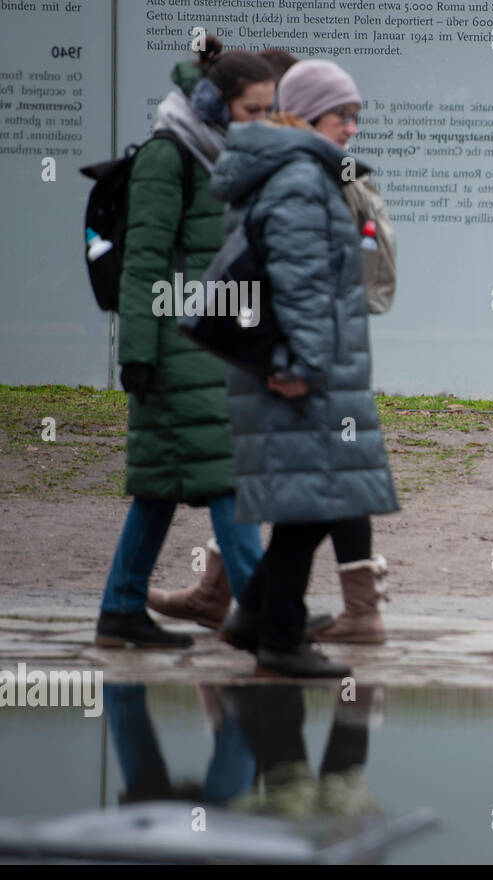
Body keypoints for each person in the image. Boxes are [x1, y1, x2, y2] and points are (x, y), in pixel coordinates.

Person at [209, 59, 399, 678]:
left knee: (313, 500)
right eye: (342, 115)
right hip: (300, 371)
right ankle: (280, 639)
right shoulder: (296, 175)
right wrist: (304, 364)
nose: (351, 128)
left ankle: (256, 616)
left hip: (311, 365)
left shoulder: (299, 169)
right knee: (313, 503)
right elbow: (296, 283)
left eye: (355, 117)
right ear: (310, 113)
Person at [95, 38, 276, 649]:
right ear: (216, 101)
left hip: (214, 341)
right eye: (253, 110)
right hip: (176, 348)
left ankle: (121, 608)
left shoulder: (219, 155)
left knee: (160, 485)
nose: (262, 122)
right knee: (226, 476)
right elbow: (143, 264)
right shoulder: (168, 155)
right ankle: (264, 618)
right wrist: (137, 355)